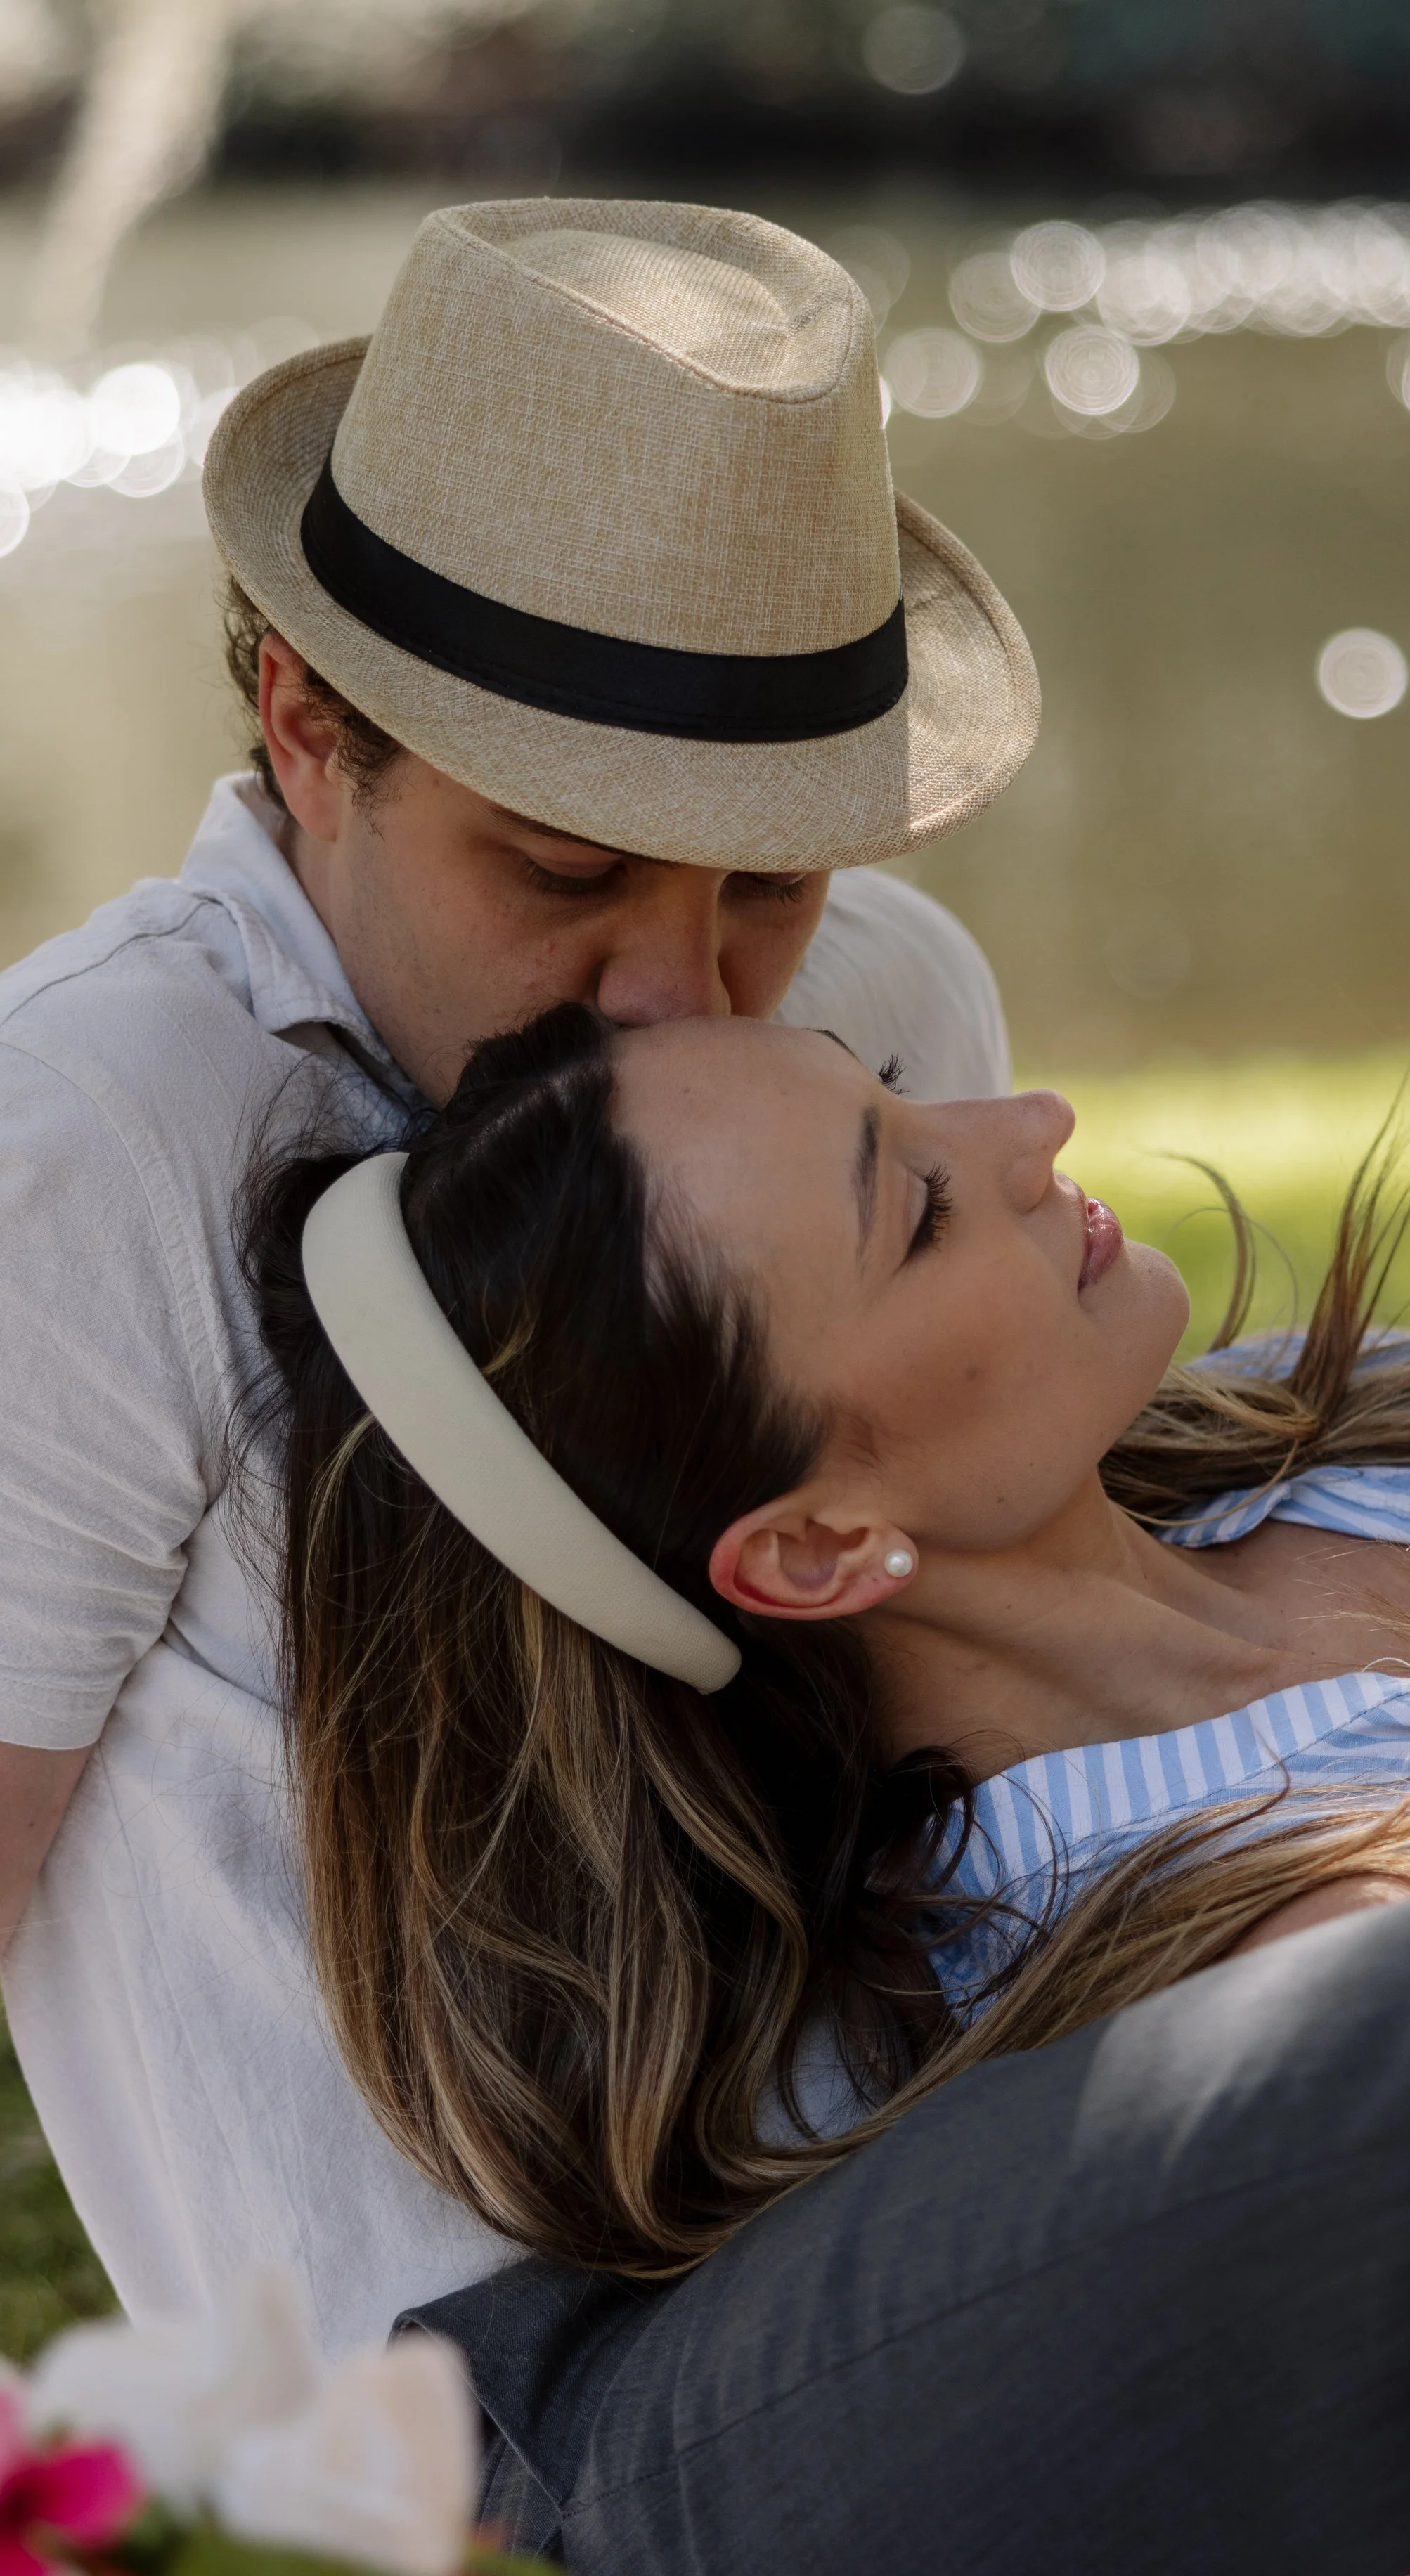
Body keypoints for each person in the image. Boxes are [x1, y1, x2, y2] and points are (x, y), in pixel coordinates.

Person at [238, 1005, 1410, 2576]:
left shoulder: (1383, 1435)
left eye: (895, 1099)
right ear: (817, 1546)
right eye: (918, 1210)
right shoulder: (1208, 1947)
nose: (1027, 1123)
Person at [0, 198, 1037, 2351]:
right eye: (560, 867)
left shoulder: (894, 1002)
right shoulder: (92, 1133)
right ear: (306, 720)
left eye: (764, 876)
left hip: (972, 2201)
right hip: (493, 2426)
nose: (678, 992)